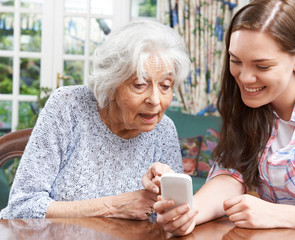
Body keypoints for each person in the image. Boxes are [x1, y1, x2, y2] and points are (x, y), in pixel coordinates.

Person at [145, 0, 295, 239]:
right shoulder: (249, 104)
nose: (245, 78)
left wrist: (277, 214)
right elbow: (232, 173)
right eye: (236, 61)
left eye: (262, 66)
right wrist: (189, 213)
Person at [0, 20, 190, 219]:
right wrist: (114, 207)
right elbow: (22, 206)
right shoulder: (68, 106)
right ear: (112, 84)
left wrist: (167, 200)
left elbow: (171, 220)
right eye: (140, 85)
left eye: (165, 86)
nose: (155, 100)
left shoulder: (164, 130)